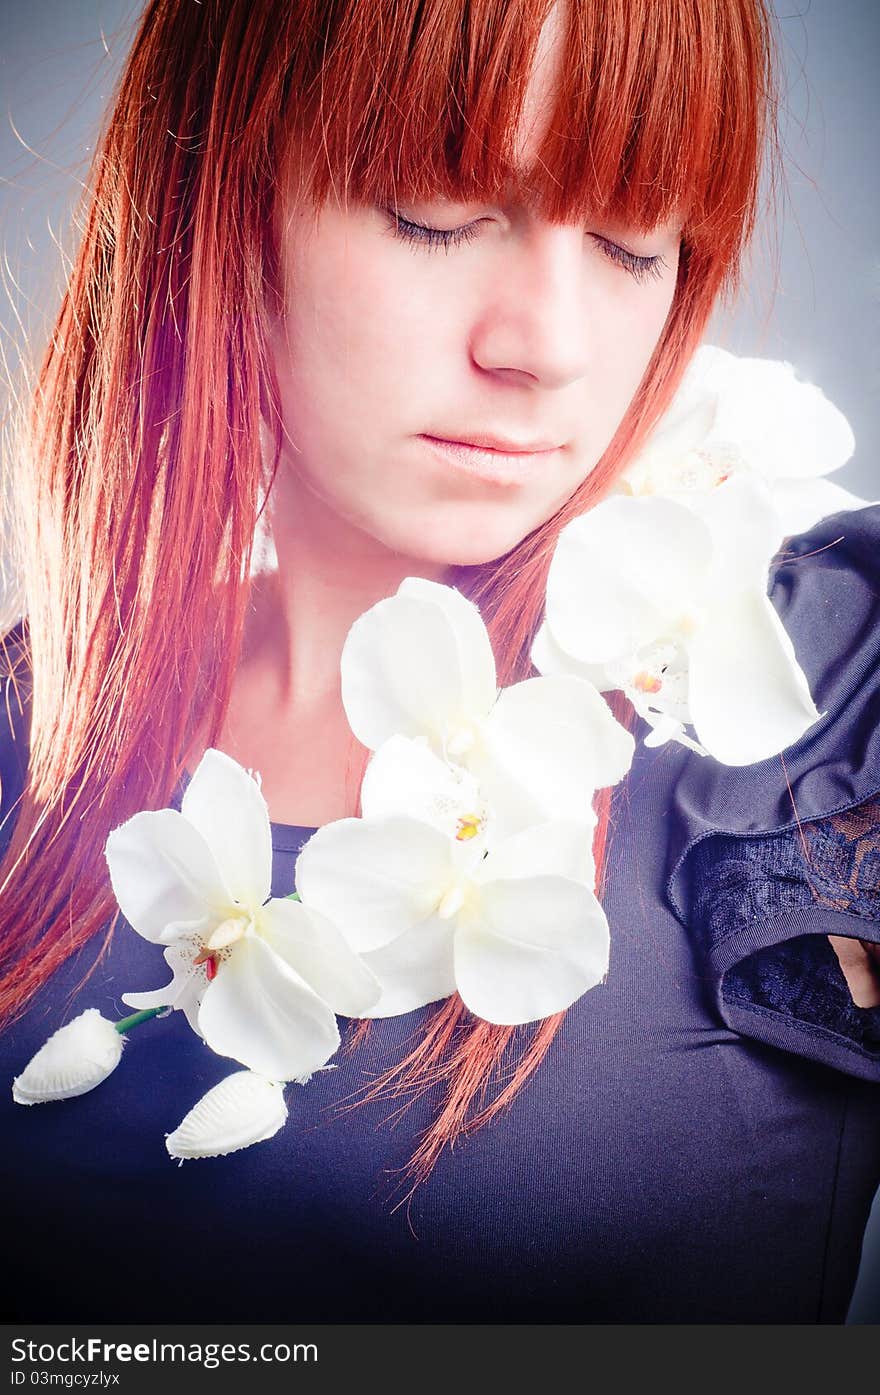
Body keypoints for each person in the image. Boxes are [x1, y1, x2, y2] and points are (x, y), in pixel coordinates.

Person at [0, 0, 878, 1324]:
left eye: (637, 244)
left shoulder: (823, 712)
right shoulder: (31, 711)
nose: (548, 347)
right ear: (220, 195)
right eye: (434, 210)